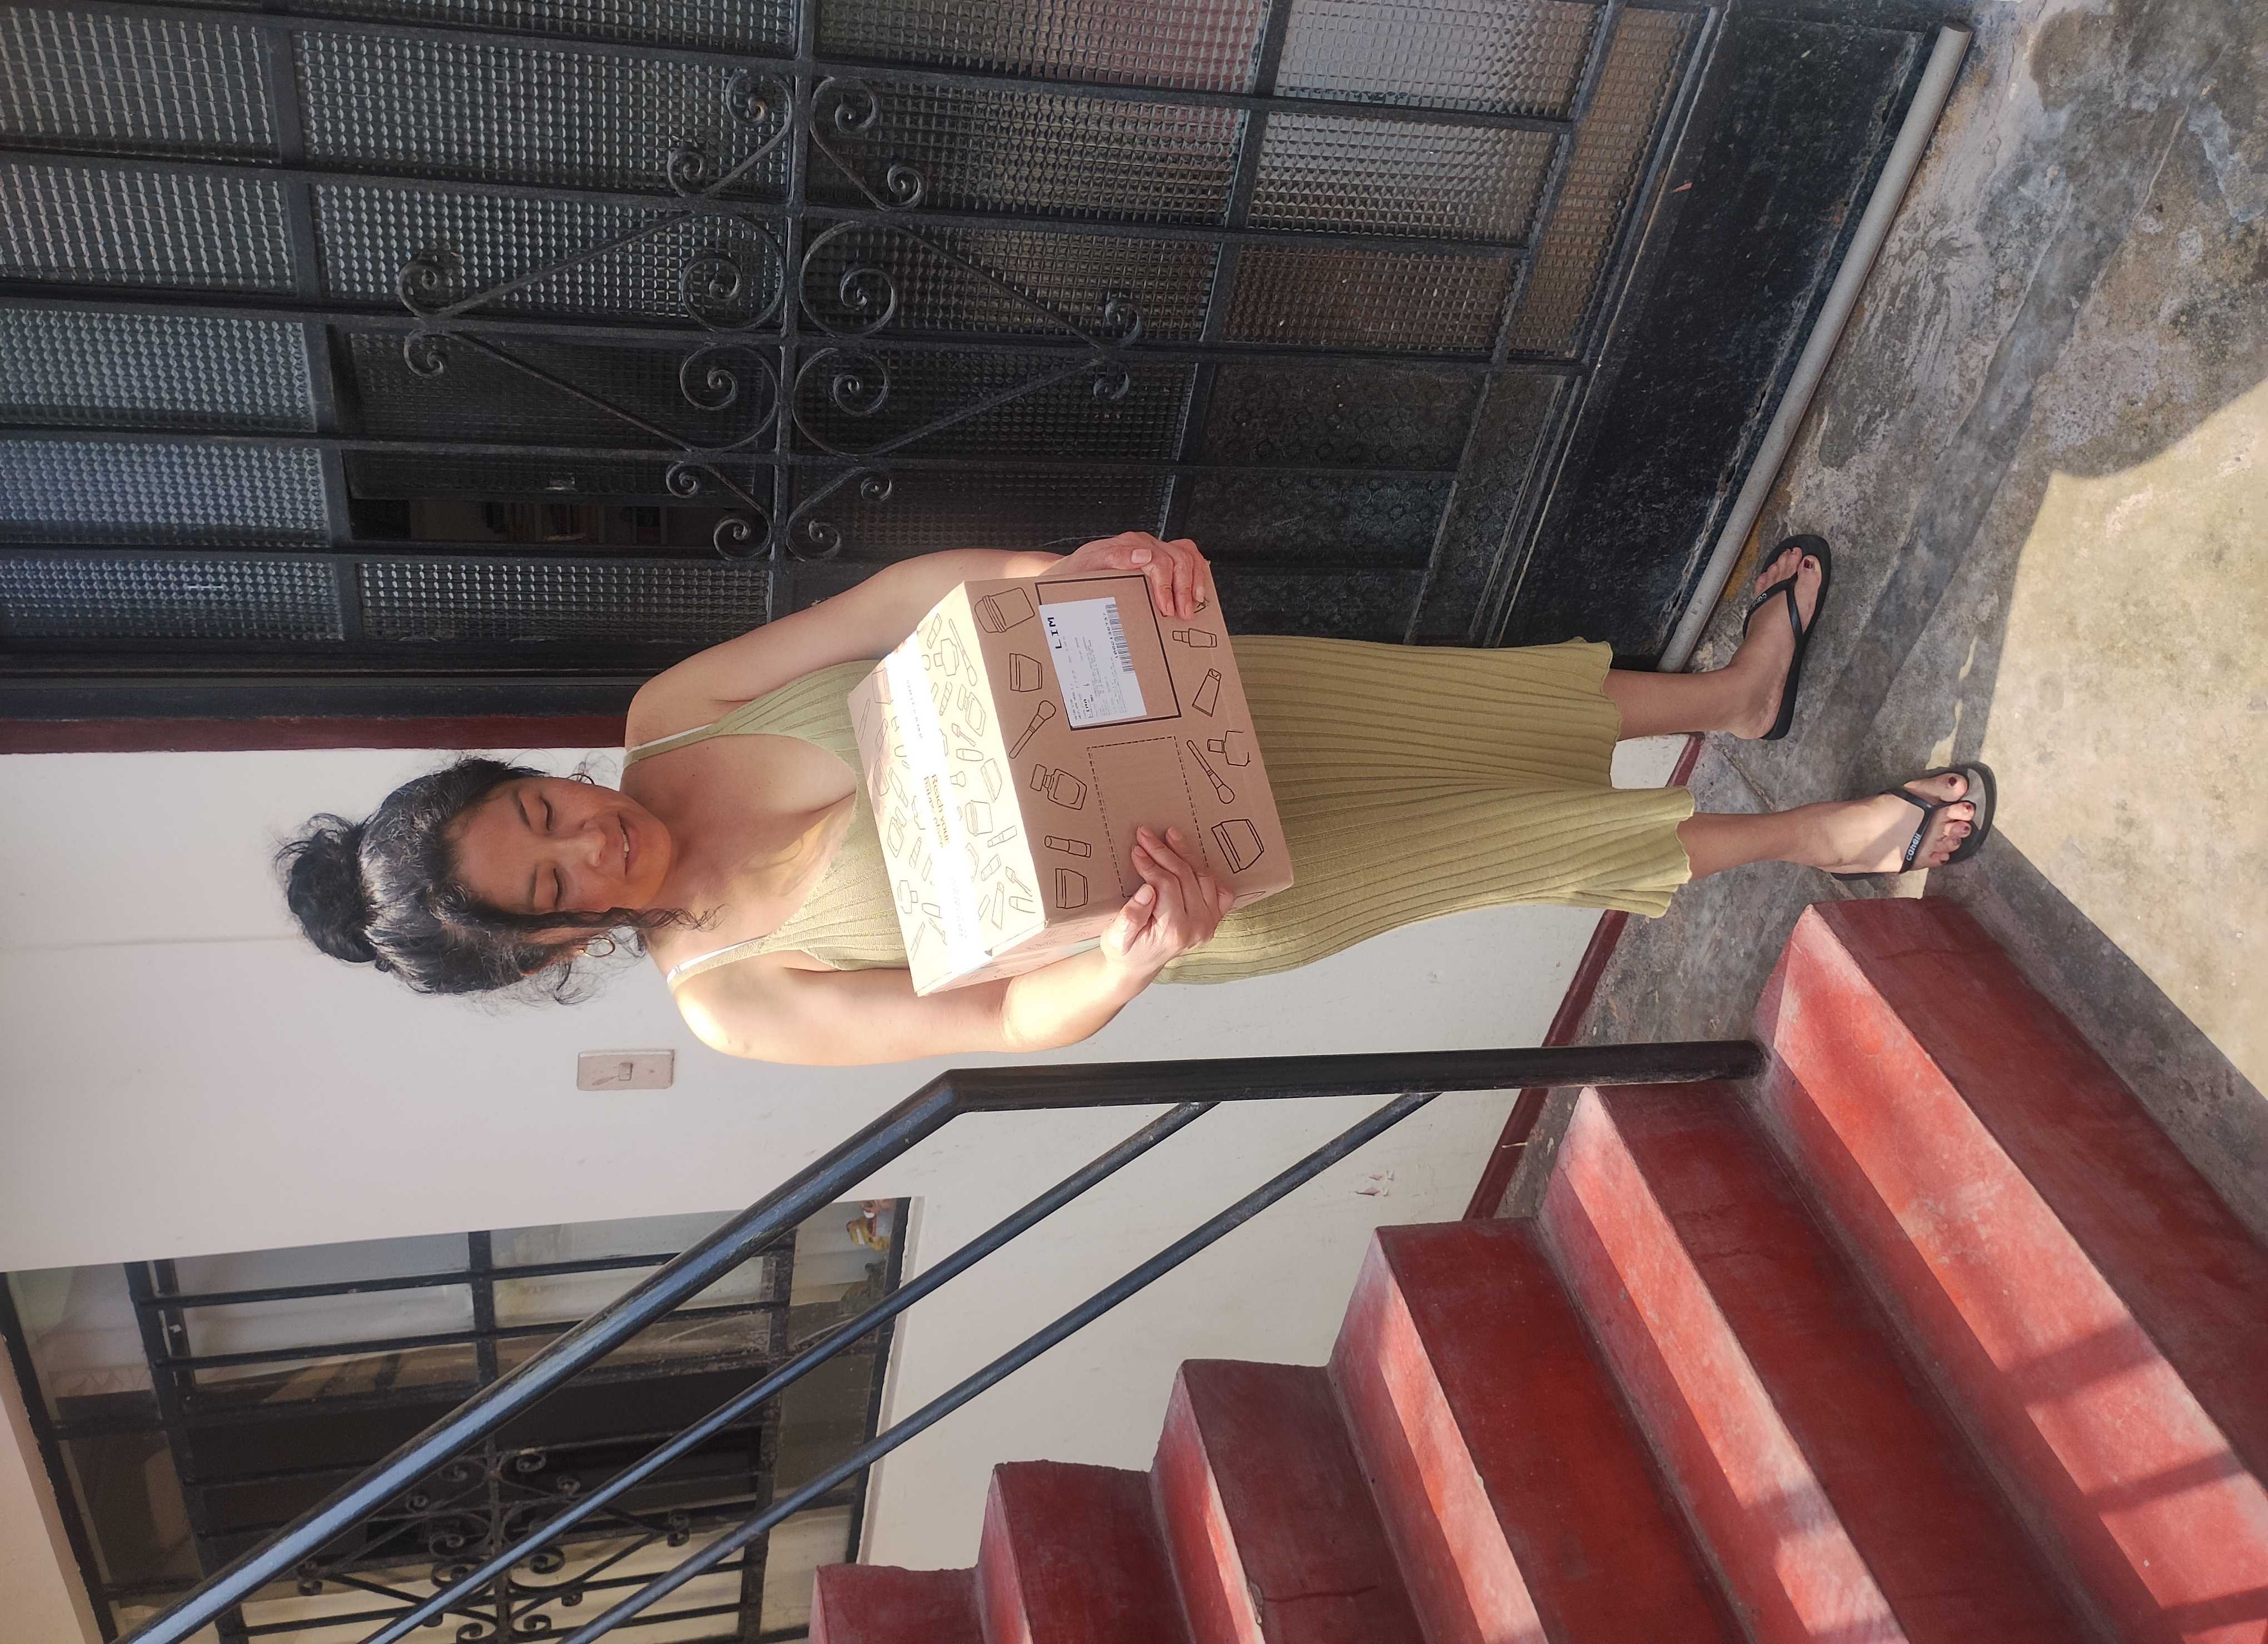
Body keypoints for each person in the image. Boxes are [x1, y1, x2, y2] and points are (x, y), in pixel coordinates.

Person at [280, 532, 1992, 1065]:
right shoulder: (729, 1000)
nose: (591, 834)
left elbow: (895, 605)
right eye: (554, 880)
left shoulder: (670, 716)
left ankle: (1731, 698)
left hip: (1167, 711)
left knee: (1455, 706)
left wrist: (1062, 574)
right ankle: (1823, 838)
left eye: (544, 806)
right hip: (1198, 891)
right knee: (1502, 844)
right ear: (551, 945)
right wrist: (1137, 957)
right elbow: (998, 1018)